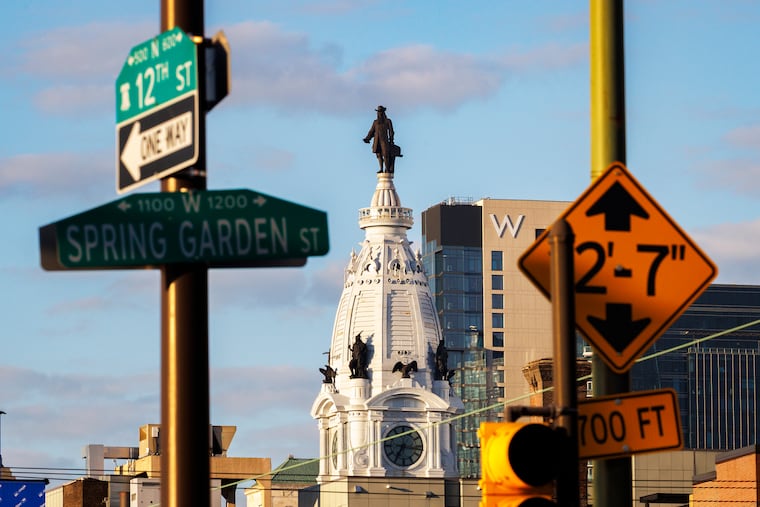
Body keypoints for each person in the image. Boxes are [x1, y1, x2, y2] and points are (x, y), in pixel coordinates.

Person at [363, 106, 400, 173]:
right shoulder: (375, 122)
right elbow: (371, 131)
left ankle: (387, 169)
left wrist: (391, 140)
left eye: (380, 112)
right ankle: (381, 169)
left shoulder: (388, 121)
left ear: (383, 113)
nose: (379, 113)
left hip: (384, 141)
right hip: (377, 141)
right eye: (378, 112)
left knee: (386, 155)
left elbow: (391, 131)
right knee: (379, 155)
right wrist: (367, 138)